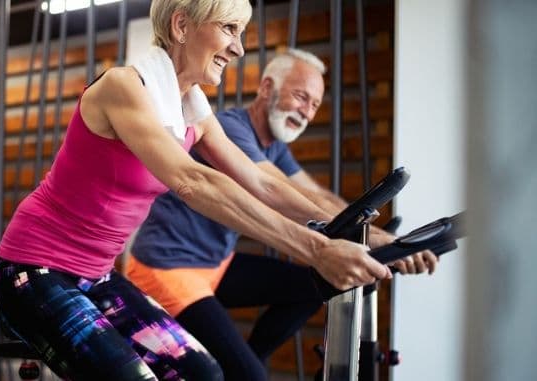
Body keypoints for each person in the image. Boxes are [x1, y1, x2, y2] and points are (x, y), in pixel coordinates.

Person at [0, 0, 392, 379]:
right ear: (182, 25)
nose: (237, 48)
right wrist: (317, 251)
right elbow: (191, 179)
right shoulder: (123, 87)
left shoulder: (191, 107)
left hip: (97, 276)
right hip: (31, 271)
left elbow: (260, 181)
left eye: (241, 33)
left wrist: (347, 230)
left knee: (205, 373)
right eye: (229, 29)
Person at [125, 48, 438, 380]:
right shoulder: (232, 128)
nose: (306, 112)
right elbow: (276, 191)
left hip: (215, 265)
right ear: (266, 89)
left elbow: (316, 194)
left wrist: (371, 229)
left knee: (319, 283)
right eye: (300, 96)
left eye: (314, 105)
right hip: (167, 268)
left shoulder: (274, 145)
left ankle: (250, 364)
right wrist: (377, 238)